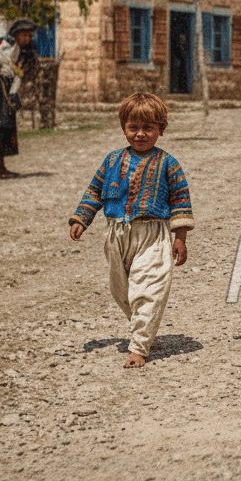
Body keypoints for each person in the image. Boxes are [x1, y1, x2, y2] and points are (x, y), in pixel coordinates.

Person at [68, 93, 194, 368]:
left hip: (152, 234)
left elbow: (181, 200)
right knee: (121, 290)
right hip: (116, 235)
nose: (140, 134)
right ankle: (143, 324)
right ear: (123, 127)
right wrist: (82, 218)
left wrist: (180, 238)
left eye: (148, 128)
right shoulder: (112, 161)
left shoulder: (168, 164)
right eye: (133, 127)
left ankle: (139, 346)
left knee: (148, 288)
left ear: (161, 129)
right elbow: (94, 191)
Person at [0, 18, 37, 178]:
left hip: (9, 88)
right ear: (16, 35)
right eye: (25, 35)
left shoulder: (26, 51)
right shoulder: (5, 46)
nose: (27, 39)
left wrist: (14, 93)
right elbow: (6, 64)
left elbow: (20, 74)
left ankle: (2, 166)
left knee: (7, 125)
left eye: (30, 36)